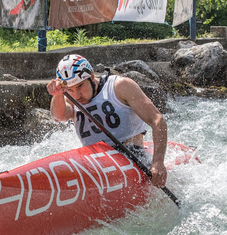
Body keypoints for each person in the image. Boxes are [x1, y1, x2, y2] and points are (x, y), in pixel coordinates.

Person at [47, 54, 168, 188]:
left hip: (132, 155)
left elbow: (158, 120)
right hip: (94, 162)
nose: (76, 95)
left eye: (80, 86)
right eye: (70, 89)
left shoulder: (120, 86)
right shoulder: (68, 97)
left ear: (91, 76)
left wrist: (158, 163)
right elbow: (59, 117)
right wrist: (58, 94)